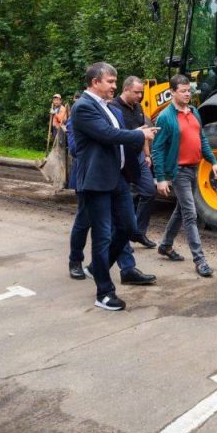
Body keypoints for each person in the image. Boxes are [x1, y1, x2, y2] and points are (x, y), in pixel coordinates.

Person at [70, 62, 158, 311]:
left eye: (115, 81)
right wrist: (139, 135)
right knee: (102, 236)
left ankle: (97, 268)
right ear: (95, 82)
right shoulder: (83, 107)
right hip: (97, 180)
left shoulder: (106, 106)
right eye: (110, 81)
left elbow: (115, 133)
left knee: (129, 228)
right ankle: (104, 293)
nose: (114, 86)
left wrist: (137, 132)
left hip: (116, 177)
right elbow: (107, 135)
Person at [67, 111, 156, 288]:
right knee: (84, 221)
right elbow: (75, 149)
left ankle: (126, 269)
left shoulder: (114, 114)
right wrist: (103, 138)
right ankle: (75, 260)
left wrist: (132, 135)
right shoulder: (80, 116)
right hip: (90, 178)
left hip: (114, 177)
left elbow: (118, 138)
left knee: (122, 226)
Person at [152, 74, 217, 277]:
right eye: (182, 91)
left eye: (188, 90)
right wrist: (161, 178)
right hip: (179, 171)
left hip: (194, 169)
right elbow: (157, 149)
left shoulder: (193, 111)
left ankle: (165, 245)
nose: (187, 94)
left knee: (181, 210)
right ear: (172, 92)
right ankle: (200, 260)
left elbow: (202, 139)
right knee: (191, 214)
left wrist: (213, 161)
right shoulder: (165, 117)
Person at [110, 76, 158, 248]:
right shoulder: (113, 107)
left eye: (141, 92)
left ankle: (138, 232)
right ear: (126, 89)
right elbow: (113, 135)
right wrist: (135, 133)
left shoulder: (138, 107)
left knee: (149, 191)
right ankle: (122, 236)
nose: (140, 96)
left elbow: (143, 133)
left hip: (138, 157)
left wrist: (147, 155)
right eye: (137, 92)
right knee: (122, 198)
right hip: (122, 158)